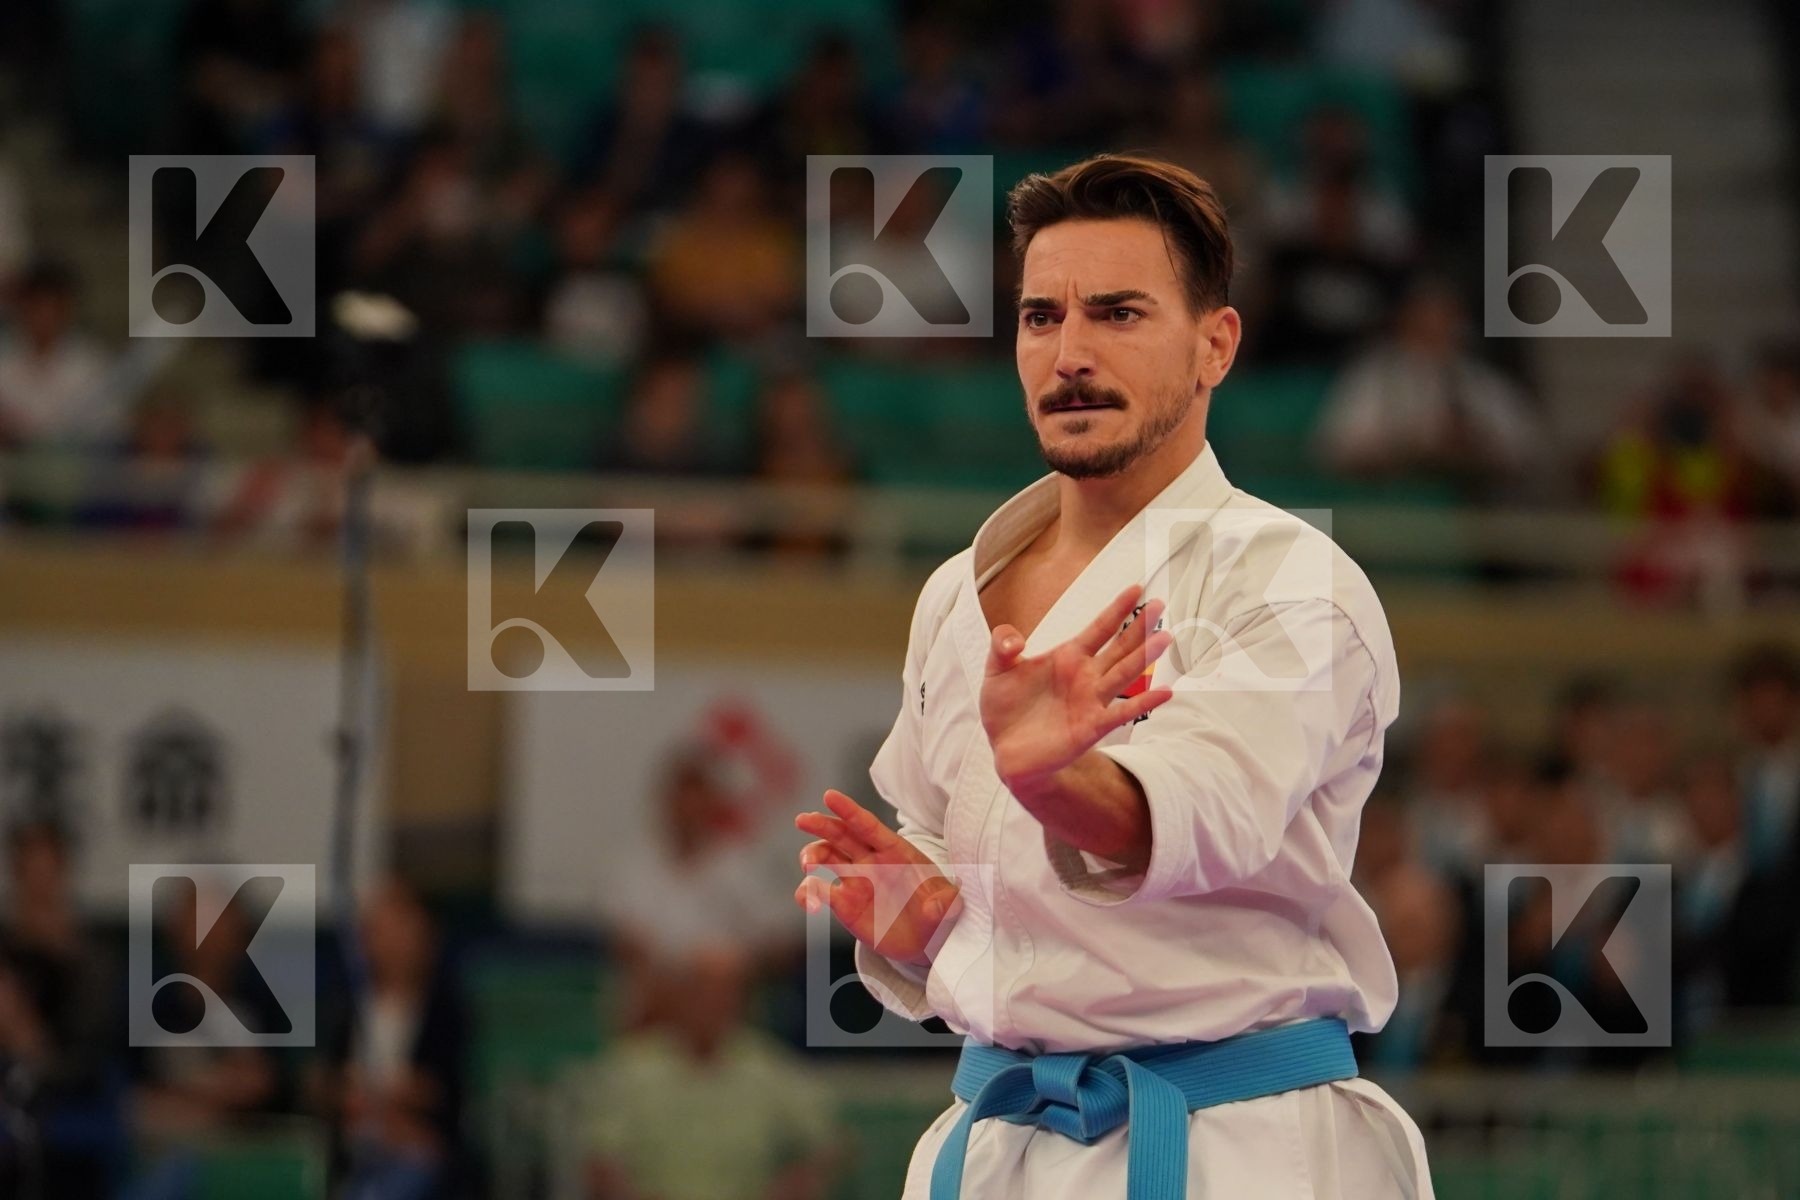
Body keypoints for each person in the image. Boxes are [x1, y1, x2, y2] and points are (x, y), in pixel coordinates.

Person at [793, 155, 1432, 1198]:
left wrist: (1054, 782)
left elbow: (1196, 813)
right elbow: (934, 829)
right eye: (1042, 317)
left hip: (1236, 1142)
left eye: (1120, 314)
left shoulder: (1295, 584)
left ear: (1214, 344)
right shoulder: (960, 592)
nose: (1071, 353)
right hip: (999, 1133)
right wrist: (925, 913)